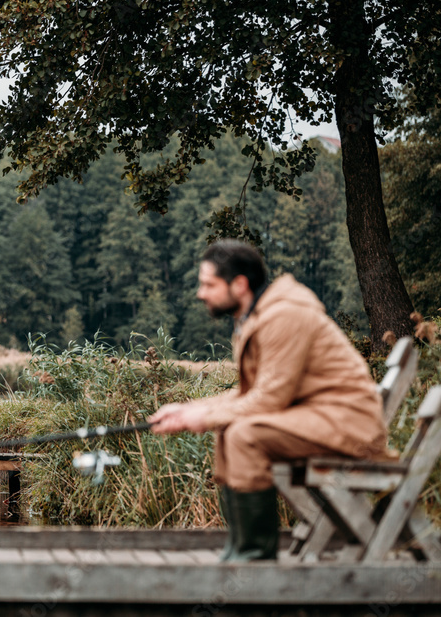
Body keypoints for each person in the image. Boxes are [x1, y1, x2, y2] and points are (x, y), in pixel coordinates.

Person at [149, 240, 389, 561]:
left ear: (239, 284)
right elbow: (254, 393)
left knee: (243, 434)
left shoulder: (284, 316)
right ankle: (239, 550)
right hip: (317, 417)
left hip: (347, 424)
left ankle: (255, 560)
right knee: (228, 431)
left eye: (208, 284)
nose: (200, 293)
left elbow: (269, 400)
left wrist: (204, 418)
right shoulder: (257, 316)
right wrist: (192, 409)